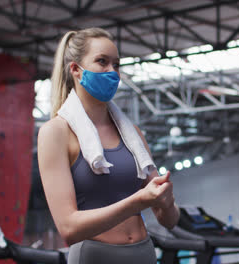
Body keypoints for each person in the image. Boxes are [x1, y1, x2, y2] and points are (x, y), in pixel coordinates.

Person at [37, 27, 179, 264]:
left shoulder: (133, 135)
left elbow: (170, 220)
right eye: (102, 62)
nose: (112, 71)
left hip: (144, 253)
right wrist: (138, 201)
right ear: (75, 70)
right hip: (95, 256)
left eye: (116, 64)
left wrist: (168, 202)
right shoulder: (55, 133)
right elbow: (68, 228)